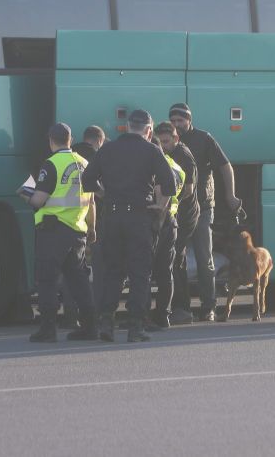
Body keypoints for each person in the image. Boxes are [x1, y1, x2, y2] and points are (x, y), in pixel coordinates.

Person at [81, 110, 176, 342]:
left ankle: (106, 322)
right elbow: (170, 184)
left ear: (126, 127)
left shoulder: (108, 149)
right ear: (149, 130)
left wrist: (106, 194)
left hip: (112, 218)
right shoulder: (151, 150)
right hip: (138, 219)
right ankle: (135, 327)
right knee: (139, 273)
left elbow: (87, 180)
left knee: (113, 271)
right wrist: (159, 206)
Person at [22, 123, 98, 343]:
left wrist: (24, 193)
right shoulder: (84, 163)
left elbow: (39, 200)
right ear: (70, 140)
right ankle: (90, 327)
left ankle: (48, 329)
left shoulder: (52, 164)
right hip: (77, 230)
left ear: (50, 140)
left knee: (47, 280)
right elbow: (91, 201)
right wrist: (92, 228)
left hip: (53, 231)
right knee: (78, 280)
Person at [168, 103, 242, 322]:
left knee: (204, 258)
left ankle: (209, 306)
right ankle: (181, 307)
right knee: (176, 258)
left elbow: (225, 166)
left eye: (180, 120)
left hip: (202, 206)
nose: (176, 125)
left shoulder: (203, 138)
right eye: (173, 121)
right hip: (177, 209)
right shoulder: (169, 141)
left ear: (189, 120)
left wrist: (230, 196)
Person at [59, 125, 106, 328]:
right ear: (99, 141)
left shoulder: (61, 159)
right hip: (90, 222)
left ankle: (70, 316)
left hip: (62, 224)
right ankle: (94, 316)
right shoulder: (97, 159)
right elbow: (99, 195)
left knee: (70, 274)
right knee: (96, 273)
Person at [147, 127, 186, 330]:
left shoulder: (155, 168)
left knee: (143, 270)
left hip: (154, 219)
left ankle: (144, 315)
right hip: (172, 222)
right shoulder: (178, 168)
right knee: (165, 272)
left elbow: (160, 192)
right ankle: (164, 315)